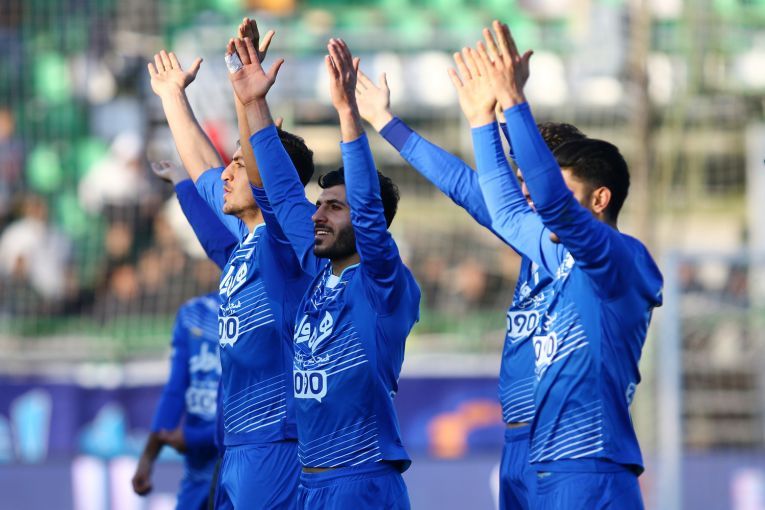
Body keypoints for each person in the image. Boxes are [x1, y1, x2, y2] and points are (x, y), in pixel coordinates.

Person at [451, 20, 662, 509]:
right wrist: (479, 120)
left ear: (599, 199)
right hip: (542, 462)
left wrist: (512, 102)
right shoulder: (552, 249)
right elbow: (498, 205)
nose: (536, 197)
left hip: (590, 467)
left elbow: (549, 201)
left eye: (555, 189)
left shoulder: (621, 255)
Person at [355, 70, 584, 509]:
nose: (520, 188)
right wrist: (385, 121)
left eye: (531, 176)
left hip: (564, 441)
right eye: (519, 176)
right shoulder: (533, 245)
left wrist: (502, 114)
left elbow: (470, 187)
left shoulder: (578, 252)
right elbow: (463, 185)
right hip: (519, 442)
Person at [227, 34, 419, 508]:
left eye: (335, 208)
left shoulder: (382, 286)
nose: (318, 215)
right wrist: (253, 103)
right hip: (309, 485)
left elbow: (367, 210)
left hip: (361, 483)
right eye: (320, 205)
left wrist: (347, 113)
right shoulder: (316, 268)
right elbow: (279, 190)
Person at [147, 17, 316, 509]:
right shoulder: (244, 239)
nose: (226, 174)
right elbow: (203, 163)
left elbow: (263, 174)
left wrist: (248, 99)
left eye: (238, 165)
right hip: (238, 443)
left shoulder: (285, 243)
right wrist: (172, 97)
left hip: (276, 440)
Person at [132, 292, 221, 510]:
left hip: (239, 469)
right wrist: (148, 457)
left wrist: (192, 438)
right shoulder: (193, 313)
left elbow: (258, 412)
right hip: (198, 471)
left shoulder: (264, 306)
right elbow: (175, 390)